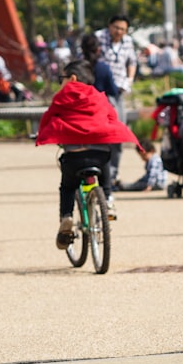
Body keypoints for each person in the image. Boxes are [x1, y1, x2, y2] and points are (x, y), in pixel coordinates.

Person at [35, 59, 139, 249]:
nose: (61, 83)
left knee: (67, 186)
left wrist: (41, 134)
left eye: (62, 78)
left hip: (73, 156)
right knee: (105, 161)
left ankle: (66, 217)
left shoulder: (62, 97)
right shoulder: (99, 96)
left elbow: (48, 117)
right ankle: (107, 199)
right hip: (98, 155)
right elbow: (112, 117)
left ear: (72, 78)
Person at [95, 14, 138, 184]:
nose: (119, 32)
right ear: (109, 26)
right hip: (101, 92)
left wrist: (129, 80)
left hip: (119, 91)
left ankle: (113, 173)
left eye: (123, 29)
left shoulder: (127, 41)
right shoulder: (98, 38)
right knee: (102, 134)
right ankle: (101, 172)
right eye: (116, 28)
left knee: (119, 133)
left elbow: (132, 61)